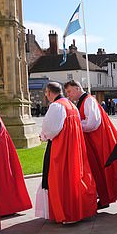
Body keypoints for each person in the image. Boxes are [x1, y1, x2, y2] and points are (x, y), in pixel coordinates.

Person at [35, 82, 97, 224]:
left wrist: (43, 136)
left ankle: (67, 213)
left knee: (60, 179)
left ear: (49, 92)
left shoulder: (56, 106)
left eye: (46, 93)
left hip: (61, 147)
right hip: (73, 146)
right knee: (73, 176)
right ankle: (76, 210)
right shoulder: (71, 105)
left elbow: (51, 129)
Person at [64, 81, 117, 209]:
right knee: (98, 171)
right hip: (94, 141)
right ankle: (103, 198)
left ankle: (104, 198)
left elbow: (93, 123)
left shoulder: (88, 101)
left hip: (98, 142)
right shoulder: (84, 101)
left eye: (69, 91)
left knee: (101, 170)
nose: (68, 95)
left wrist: (75, 124)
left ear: (77, 89)